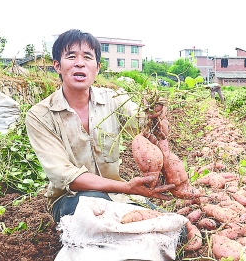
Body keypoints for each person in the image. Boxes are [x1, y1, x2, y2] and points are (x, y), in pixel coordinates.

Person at [25, 29, 175, 223]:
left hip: (119, 196)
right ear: (57, 66)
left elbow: (154, 130)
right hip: (70, 199)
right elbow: (66, 177)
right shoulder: (40, 115)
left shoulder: (114, 100)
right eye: (71, 56)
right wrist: (127, 187)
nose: (80, 63)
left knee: (169, 226)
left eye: (87, 57)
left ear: (97, 68)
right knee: (96, 207)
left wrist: (156, 114)